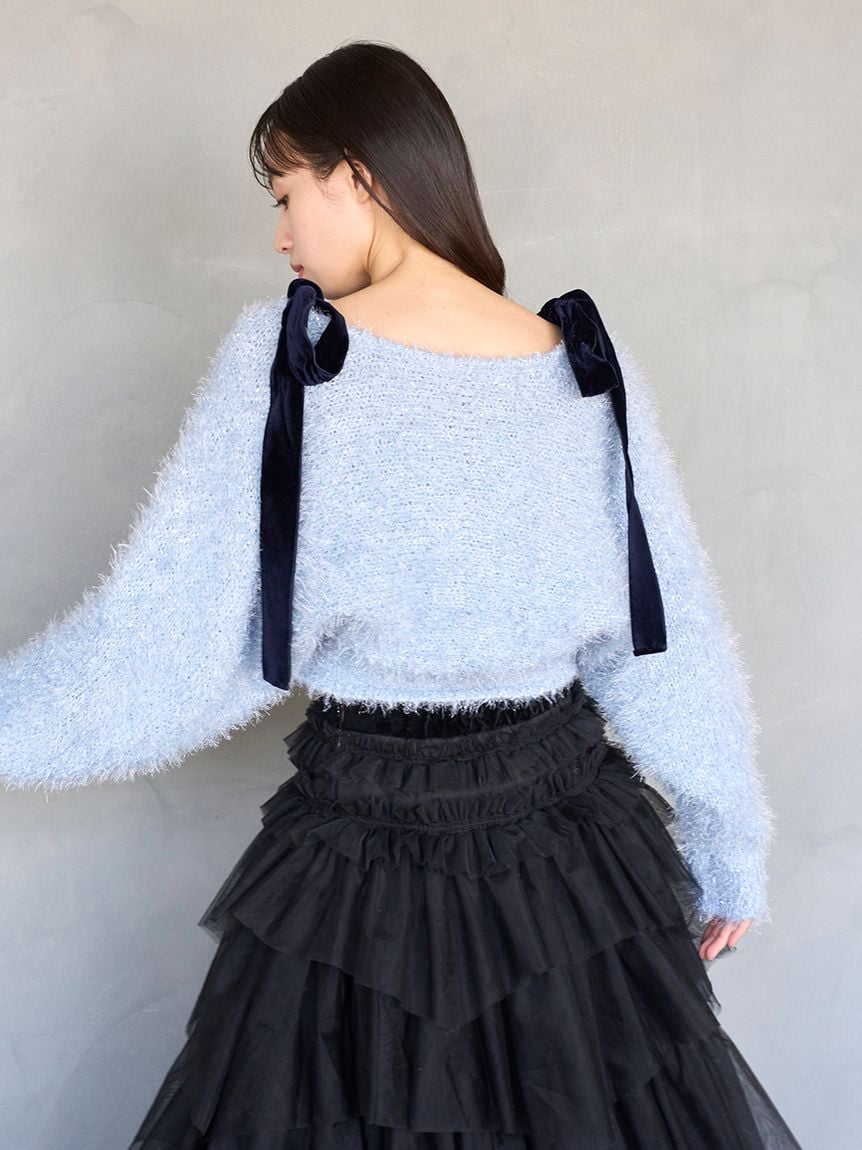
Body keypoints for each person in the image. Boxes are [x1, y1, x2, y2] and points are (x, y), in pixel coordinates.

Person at [0, 39, 803, 1149]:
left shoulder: (295, 360)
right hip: (577, 868)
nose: (281, 235)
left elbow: (164, 647)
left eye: (287, 194)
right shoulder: (578, 364)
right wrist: (728, 844)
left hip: (358, 871)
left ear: (359, 175)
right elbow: (662, 642)